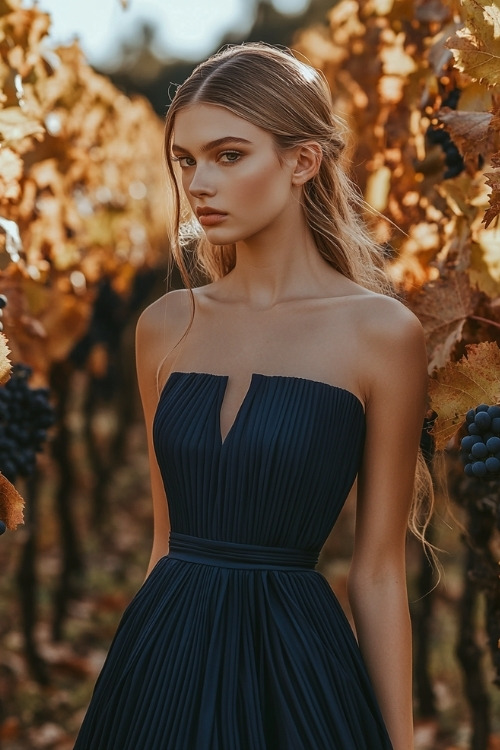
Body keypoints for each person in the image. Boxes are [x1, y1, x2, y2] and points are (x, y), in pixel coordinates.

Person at [74, 42, 430, 750]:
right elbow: (165, 542)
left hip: (295, 665)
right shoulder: (165, 326)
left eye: (229, 155)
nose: (199, 182)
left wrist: (395, 741)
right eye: (185, 159)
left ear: (302, 162)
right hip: (160, 662)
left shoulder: (381, 334)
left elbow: (380, 571)